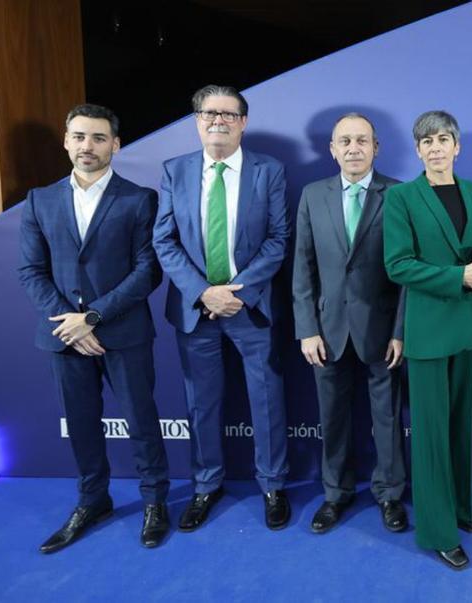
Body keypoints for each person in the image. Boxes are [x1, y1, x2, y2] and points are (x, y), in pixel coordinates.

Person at [18, 103, 170, 552]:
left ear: (115, 145)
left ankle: (154, 502)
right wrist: (73, 325)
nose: (88, 146)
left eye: (99, 138)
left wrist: (94, 317)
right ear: (66, 141)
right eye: (80, 136)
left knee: (142, 422)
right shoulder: (38, 200)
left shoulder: (140, 198)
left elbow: (148, 271)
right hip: (63, 338)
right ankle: (93, 500)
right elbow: (31, 271)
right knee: (82, 425)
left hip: (123, 334)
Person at [152, 84, 292, 531]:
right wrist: (202, 291)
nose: (218, 120)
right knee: (202, 404)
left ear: (243, 122)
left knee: (266, 400)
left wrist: (236, 292)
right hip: (196, 310)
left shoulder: (268, 171)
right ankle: (206, 485)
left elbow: (277, 239)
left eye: (228, 114)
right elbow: (164, 240)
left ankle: (272, 484)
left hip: (250, 308)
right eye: (209, 113)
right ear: (197, 121)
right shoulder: (175, 171)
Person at [383, 110, 472, 570]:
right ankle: (437, 531)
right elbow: (398, 265)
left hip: (469, 325)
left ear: (457, 146)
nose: (435, 148)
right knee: (431, 434)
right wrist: (460, 277)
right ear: (417, 150)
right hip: (430, 328)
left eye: (442, 139)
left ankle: (459, 508)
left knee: (460, 426)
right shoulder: (402, 198)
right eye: (426, 141)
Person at [293, 112, 408, 534]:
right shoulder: (312, 195)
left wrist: (400, 330)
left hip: (382, 332)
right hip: (327, 331)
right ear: (332, 149)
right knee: (333, 418)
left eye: (362, 141)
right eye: (345, 141)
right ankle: (335, 495)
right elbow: (302, 268)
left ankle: (390, 495)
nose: (354, 148)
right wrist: (307, 327)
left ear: (376, 147)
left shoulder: (398, 195)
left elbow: (407, 275)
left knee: (387, 418)